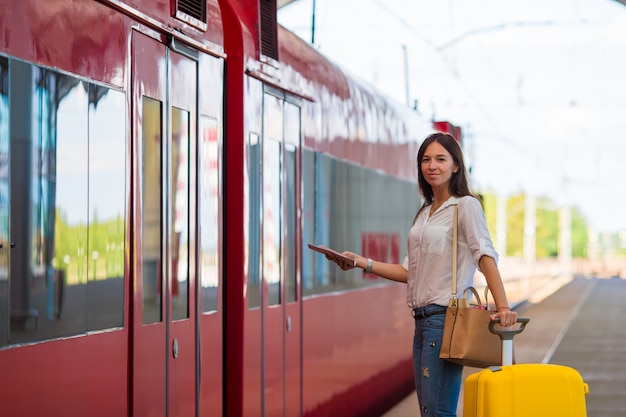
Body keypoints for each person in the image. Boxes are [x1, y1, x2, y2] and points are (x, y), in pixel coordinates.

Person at [326, 132, 518, 417]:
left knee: (437, 412)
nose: (432, 165)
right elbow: (409, 272)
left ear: (456, 166)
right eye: (426, 160)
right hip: (422, 322)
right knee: (431, 410)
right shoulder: (426, 213)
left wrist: (503, 308)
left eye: (441, 159)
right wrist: (360, 262)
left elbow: (485, 256)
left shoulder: (465, 206)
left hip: (445, 321)